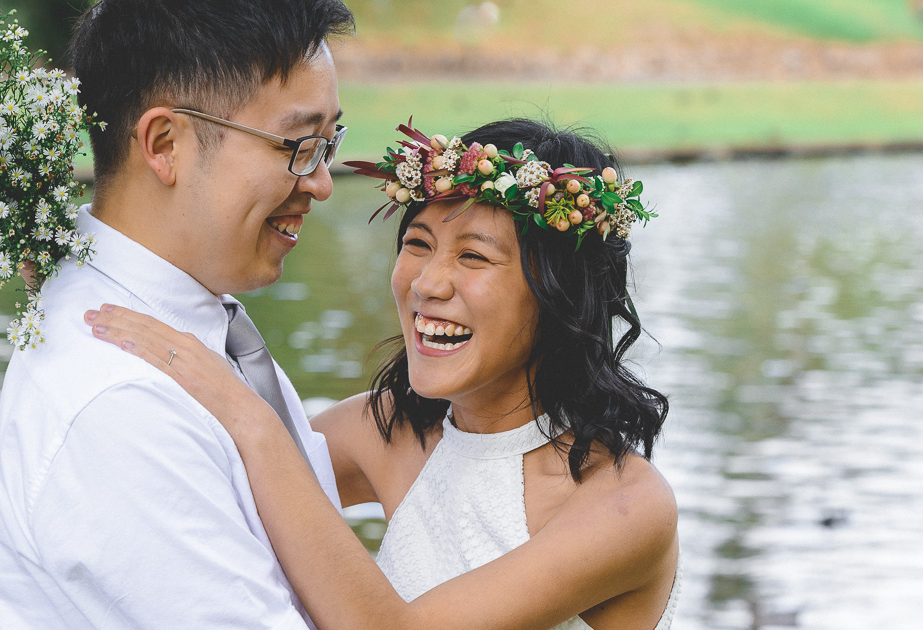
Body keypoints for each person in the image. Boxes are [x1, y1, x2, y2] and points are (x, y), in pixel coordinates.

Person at [84, 118, 682, 629]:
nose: (427, 283)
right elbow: (197, 487)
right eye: (418, 243)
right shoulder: (387, 430)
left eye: (472, 255)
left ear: (561, 296)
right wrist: (71, 287)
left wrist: (250, 417)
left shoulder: (627, 506)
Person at [0, 1, 354, 628]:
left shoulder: (194, 320)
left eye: (329, 143)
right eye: (299, 146)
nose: (321, 182)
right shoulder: (122, 401)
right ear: (164, 144)